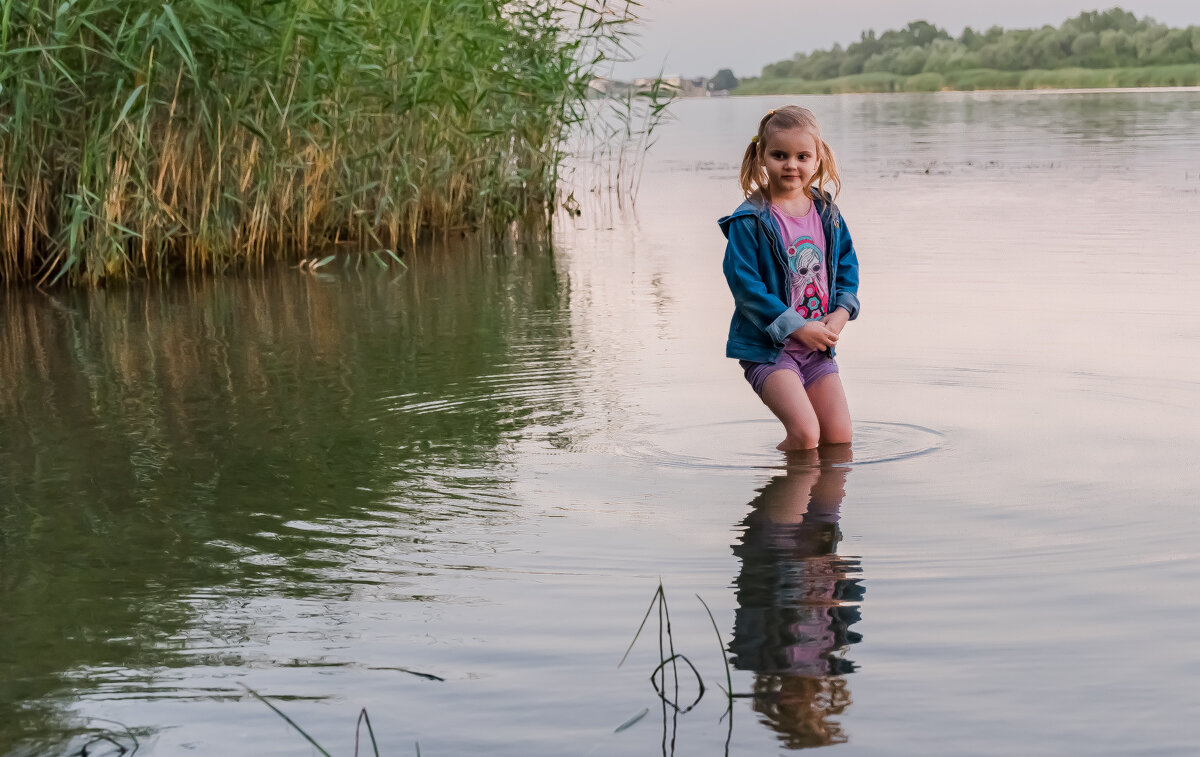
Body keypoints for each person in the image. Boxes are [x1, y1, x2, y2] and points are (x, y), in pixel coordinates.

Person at [718, 106, 861, 451]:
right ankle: (781, 501)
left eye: (802, 156)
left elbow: (847, 269)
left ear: (818, 158)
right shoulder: (750, 220)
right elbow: (746, 288)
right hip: (768, 349)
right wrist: (797, 326)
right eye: (779, 155)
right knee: (806, 435)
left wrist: (841, 313)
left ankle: (821, 506)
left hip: (816, 349)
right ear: (761, 157)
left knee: (839, 439)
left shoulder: (828, 214)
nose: (791, 165)